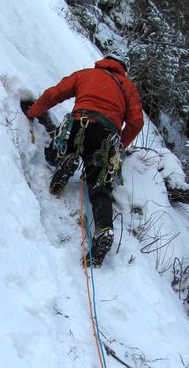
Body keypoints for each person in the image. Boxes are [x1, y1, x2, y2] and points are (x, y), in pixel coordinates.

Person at [23, 53, 144, 266]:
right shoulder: (128, 88)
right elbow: (136, 122)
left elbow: (55, 94)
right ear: (123, 68)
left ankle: (66, 159)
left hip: (81, 123)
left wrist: (33, 112)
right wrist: (120, 146)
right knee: (100, 187)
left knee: (57, 148)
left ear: (105, 61)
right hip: (107, 137)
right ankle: (104, 229)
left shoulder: (87, 74)